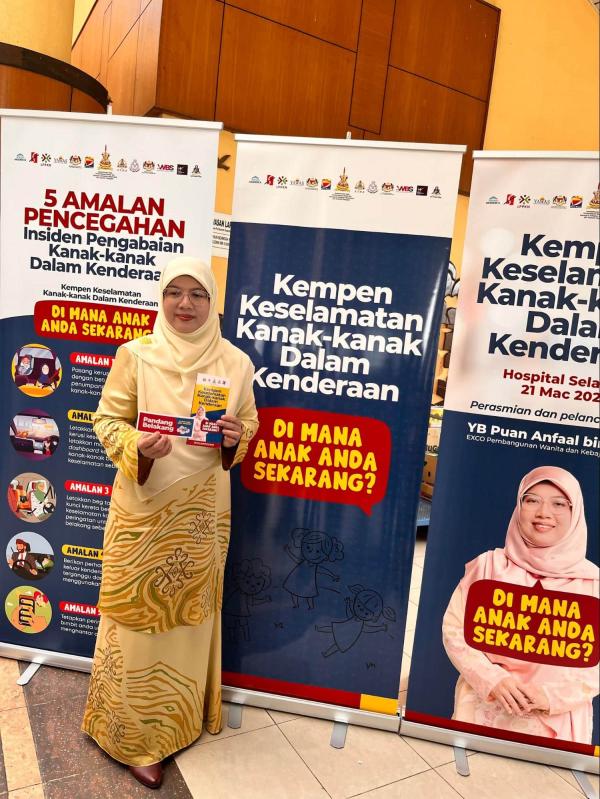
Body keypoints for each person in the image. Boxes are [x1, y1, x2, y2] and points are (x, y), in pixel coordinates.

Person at [82, 257, 258, 788]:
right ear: (161, 299)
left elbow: (248, 423)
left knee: (188, 620)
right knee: (136, 621)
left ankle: (178, 719)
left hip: (201, 515)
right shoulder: (136, 355)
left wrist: (236, 437)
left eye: (197, 294)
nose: (185, 304)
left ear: (212, 302)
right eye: (174, 292)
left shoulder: (236, 363)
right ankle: (133, 737)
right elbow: (106, 419)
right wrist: (137, 444)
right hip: (143, 510)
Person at [443, 466, 599, 744]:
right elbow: (454, 631)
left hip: (556, 723)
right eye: (532, 500)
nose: (544, 513)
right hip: (482, 710)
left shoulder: (593, 584)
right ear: (518, 506)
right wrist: (493, 679)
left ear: (575, 513)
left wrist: (550, 697)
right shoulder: (488, 566)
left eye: (559, 504)